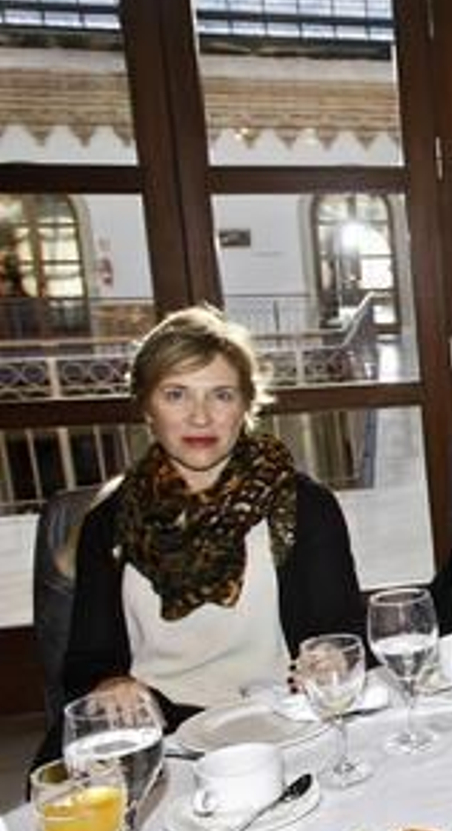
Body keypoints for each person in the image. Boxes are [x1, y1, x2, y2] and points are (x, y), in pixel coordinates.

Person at [51, 306, 364, 757]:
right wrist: (110, 683)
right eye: (176, 395)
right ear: (146, 407)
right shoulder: (109, 522)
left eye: (221, 395)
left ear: (246, 406)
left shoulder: (304, 507)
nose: (201, 417)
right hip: (157, 734)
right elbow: (86, 662)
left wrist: (334, 658)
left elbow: (341, 634)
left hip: (280, 726)